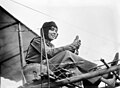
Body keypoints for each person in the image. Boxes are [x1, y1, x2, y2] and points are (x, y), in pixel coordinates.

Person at [24, 21, 117, 88]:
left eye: (56, 31)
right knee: (67, 54)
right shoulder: (37, 40)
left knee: (75, 68)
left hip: (47, 69)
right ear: (45, 30)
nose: (54, 33)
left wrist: (74, 49)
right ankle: (105, 73)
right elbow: (49, 53)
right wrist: (70, 47)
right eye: (52, 30)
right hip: (36, 70)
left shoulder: (51, 45)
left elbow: (58, 55)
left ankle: (104, 80)